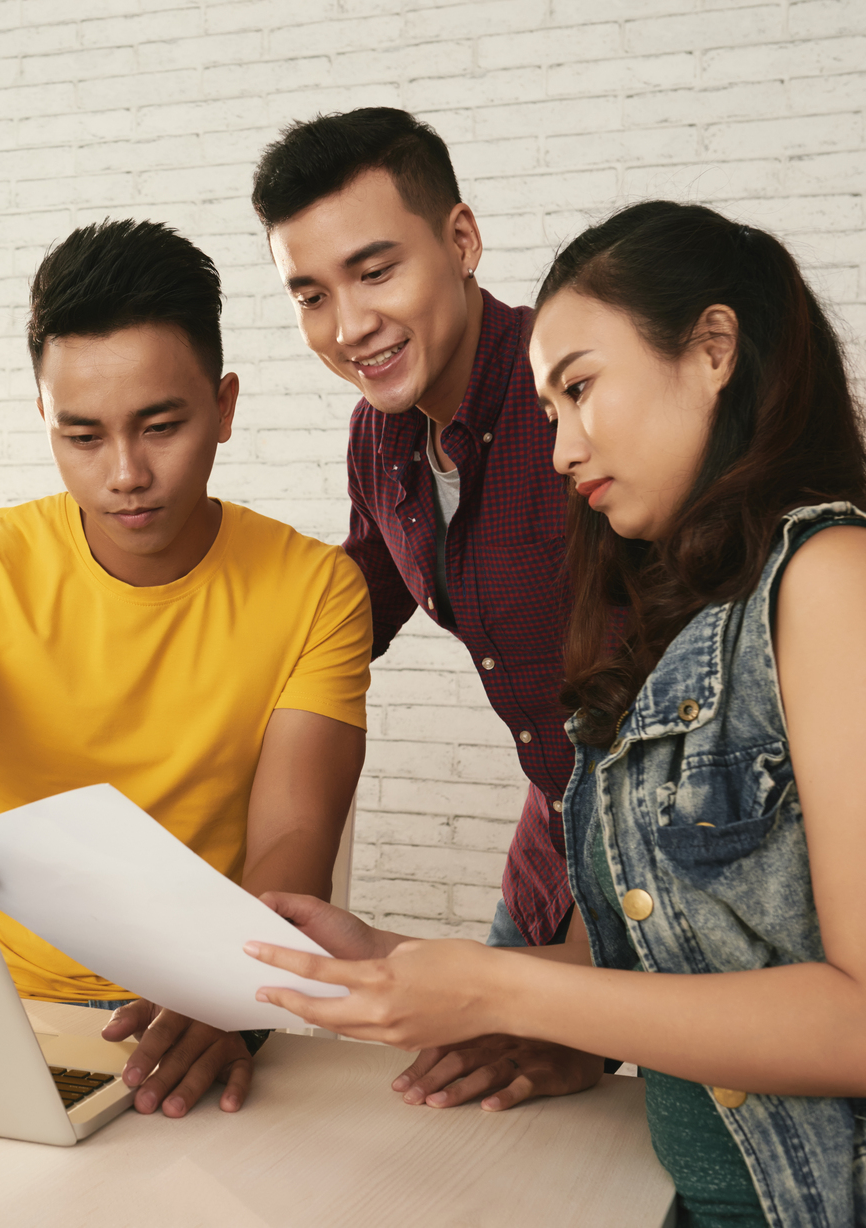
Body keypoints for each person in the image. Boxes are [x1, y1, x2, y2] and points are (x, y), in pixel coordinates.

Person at [249, 202, 866, 1226]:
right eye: (549, 411)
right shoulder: (695, 613)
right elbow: (707, 942)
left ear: (712, 350)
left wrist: (500, 991)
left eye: (581, 389)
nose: (558, 450)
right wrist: (387, 954)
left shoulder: (839, 581)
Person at [0, 219, 373, 1119]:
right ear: (43, 417)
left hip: (207, 1002)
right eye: (82, 436)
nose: (126, 473)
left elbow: (293, 840)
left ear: (226, 407)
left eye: (162, 426)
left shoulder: (318, 589)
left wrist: (223, 988)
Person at [250, 106, 598, 1111]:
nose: (347, 324)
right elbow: (340, 621)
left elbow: (668, 702)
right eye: (310, 294)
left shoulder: (570, 391)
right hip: (547, 861)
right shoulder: (379, 439)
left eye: (373, 271)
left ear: (460, 241)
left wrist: (580, 999)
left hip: (671, 872)